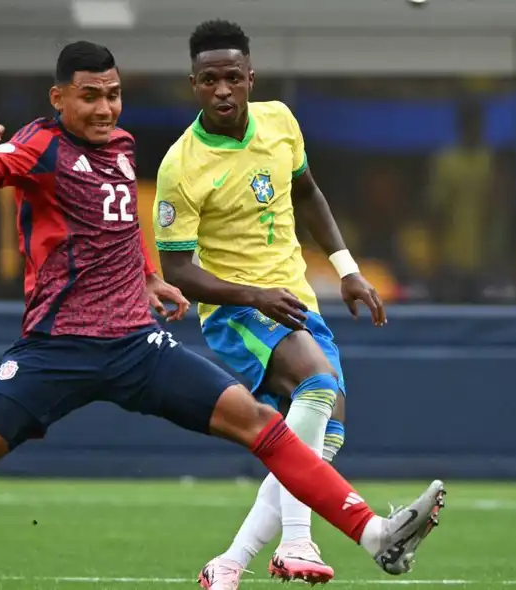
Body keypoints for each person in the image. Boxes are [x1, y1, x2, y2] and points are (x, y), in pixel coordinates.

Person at [0, 40, 444, 588]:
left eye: (113, 94)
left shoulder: (121, 146)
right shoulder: (39, 146)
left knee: (260, 422)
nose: (105, 108)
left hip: (135, 345)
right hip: (57, 348)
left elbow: (119, 225)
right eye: (90, 96)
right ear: (58, 97)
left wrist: (147, 276)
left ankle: (372, 533)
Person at [153, 20, 396, 587]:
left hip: (294, 302)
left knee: (321, 440)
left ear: (250, 78)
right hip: (237, 311)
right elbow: (178, 271)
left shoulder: (281, 122)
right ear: (193, 84)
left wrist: (348, 270)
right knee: (316, 384)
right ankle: (296, 542)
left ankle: (228, 564)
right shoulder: (180, 166)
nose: (222, 90)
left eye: (232, 78)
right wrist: (254, 294)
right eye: (209, 80)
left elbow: (307, 192)